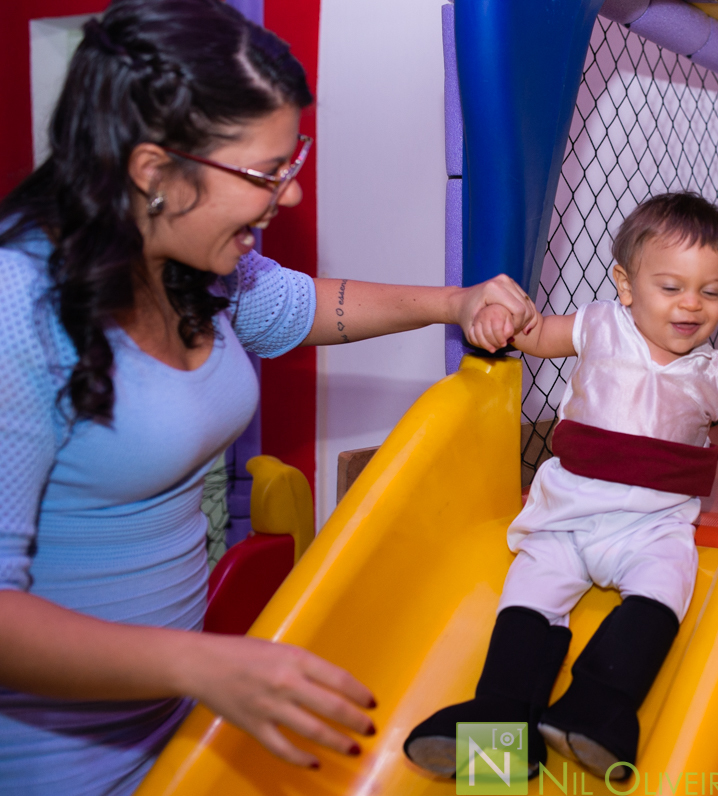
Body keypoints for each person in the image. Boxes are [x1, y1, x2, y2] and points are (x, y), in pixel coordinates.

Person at [0, 1, 535, 793]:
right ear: (152, 171)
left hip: (175, 720)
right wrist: (202, 664)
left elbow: (305, 307)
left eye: (292, 161)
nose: (288, 195)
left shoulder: (193, 262)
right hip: (54, 762)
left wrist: (454, 302)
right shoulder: (17, 307)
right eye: (264, 173)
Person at [403, 192, 718, 781]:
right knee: (527, 600)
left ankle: (597, 708)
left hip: (652, 526)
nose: (692, 304)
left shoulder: (717, 375)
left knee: (662, 594)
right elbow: (535, 337)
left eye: (712, 291)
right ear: (626, 285)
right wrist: (503, 324)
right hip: (566, 517)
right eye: (671, 287)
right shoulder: (601, 325)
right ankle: (499, 725)